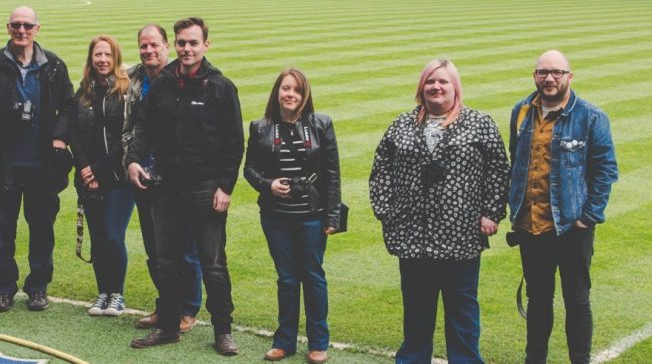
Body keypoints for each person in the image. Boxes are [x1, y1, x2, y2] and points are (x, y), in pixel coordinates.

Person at [370, 59, 509, 364]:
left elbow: (498, 169)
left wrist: (491, 212)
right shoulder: (402, 124)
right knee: (417, 307)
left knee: (462, 309)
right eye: (430, 81)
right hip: (413, 235)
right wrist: (386, 210)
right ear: (422, 87)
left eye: (443, 82)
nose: (436, 87)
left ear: (455, 87)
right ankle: (413, 359)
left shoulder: (478, 123)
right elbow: (381, 168)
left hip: (460, 235)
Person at [126, 17, 244, 356]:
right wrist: (134, 159)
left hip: (206, 189)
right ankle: (168, 326)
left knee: (213, 264)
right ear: (174, 45)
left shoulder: (221, 87)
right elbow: (143, 127)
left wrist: (225, 186)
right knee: (168, 262)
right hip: (166, 188)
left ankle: (223, 331)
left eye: (193, 43)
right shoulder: (163, 84)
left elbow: (235, 143)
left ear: (206, 45)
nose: (186, 49)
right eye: (181, 43)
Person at [507, 51, 618, 364]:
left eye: (557, 72)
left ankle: (579, 360)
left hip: (571, 228)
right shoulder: (521, 112)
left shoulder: (591, 117)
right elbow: (516, 163)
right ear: (535, 76)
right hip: (531, 226)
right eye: (543, 72)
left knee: (577, 301)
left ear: (570, 76)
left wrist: (588, 217)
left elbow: (605, 170)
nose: (549, 79)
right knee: (538, 300)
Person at [0, 6, 73, 313]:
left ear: (37, 28)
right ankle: (4, 288)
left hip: (42, 164)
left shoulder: (53, 65)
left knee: (42, 228)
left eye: (27, 25)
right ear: (8, 27)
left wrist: (59, 137)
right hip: (6, 163)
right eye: (16, 24)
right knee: (2, 229)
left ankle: (38, 287)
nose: (22, 30)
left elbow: (69, 106)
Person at [244, 68, 343, 363]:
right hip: (276, 217)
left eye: (296, 90)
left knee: (313, 277)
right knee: (287, 279)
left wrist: (333, 217)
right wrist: (268, 185)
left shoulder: (321, 124)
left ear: (305, 95)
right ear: (277, 92)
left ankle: (318, 342)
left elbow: (332, 174)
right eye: (285, 89)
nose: (290, 95)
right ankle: (284, 341)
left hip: (311, 215)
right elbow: (249, 169)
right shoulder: (260, 127)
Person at [128, 24, 205, 335]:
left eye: (154, 45)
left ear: (167, 47)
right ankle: (167, 305)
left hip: (176, 180)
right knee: (155, 249)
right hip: (143, 176)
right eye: (143, 46)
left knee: (184, 249)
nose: (149, 51)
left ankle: (188, 307)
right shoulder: (132, 79)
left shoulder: (181, 80)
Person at [62, 35, 136, 317]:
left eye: (107, 54)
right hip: (88, 176)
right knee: (98, 237)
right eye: (97, 55)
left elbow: (126, 135)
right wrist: (84, 168)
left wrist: (100, 168)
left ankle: (117, 294)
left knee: (113, 234)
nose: (102, 60)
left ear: (115, 57)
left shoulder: (126, 90)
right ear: (91, 58)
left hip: (117, 176)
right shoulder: (83, 92)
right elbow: (73, 133)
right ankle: (102, 292)